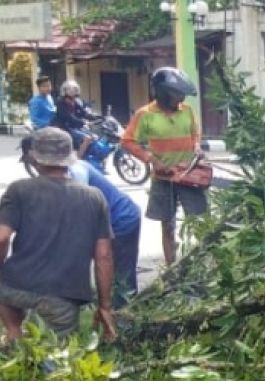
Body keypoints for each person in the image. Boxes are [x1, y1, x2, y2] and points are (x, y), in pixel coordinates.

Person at [0, 128, 116, 343]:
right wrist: (105, 306)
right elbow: (104, 256)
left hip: (13, 288)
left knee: (6, 299)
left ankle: (14, 333)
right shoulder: (94, 197)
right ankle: (20, 341)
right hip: (62, 297)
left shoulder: (19, 190)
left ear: (35, 159)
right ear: (68, 159)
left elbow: (2, 238)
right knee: (55, 362)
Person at [122, 67, 206, 265]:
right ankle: (171, 268)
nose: (180, 100)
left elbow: (195, 134)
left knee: (200, 221)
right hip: (163, 179)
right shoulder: (145, 114)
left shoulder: (187, 111)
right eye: (176, 95)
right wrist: (151, 159)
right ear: (162, 92)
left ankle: (203, 263)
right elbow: (127, 141)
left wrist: (197, 147)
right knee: (167, 224)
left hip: (189, 176)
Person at [69, 160, 142, 308]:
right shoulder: (72, 169)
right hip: (108, 217)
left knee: (122, 274)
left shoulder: (76, 173)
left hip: (121, 217)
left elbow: (81, 211)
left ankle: (124, 315)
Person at [53, 80, 98, 161]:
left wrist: (97, 117)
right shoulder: (60, 102)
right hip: (64, 127)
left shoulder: (74, 101)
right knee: (87, 138)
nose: (73, 92)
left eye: (74, 90)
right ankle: (78, 160)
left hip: (74, 126)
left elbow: (83, 112)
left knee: (94, 136)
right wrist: (83, 122)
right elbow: (68, 117)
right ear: (65, 91)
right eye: (71, 90)